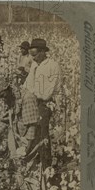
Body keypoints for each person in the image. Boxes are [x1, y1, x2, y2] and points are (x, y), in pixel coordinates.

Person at [23, 38, 61, 169]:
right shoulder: (35, 65)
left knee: (43, 132)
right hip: (35, 101)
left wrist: (34, 94)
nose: (32, 58)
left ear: (43, 52)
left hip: (46, 103)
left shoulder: (52, 66)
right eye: (31, 54)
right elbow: (28, 84)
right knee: (33, 130)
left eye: (34, 54)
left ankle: (46, 164)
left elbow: (48, 92)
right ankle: (36, 158)